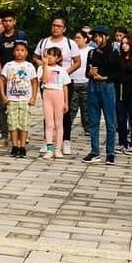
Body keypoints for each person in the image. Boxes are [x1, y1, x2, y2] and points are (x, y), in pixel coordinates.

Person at [33, 17, 81, 155]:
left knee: (64, 113)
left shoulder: (70, 43)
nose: (56, 28)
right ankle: (47, 141)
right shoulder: (44, 42)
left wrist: (63, 73)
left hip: (63, 83)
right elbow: (35, 57)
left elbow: (77, 62)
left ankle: (65, 141)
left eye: (59, 26)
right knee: (48, 114)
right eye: (54, 25)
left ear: (64, 28)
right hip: (47, 83)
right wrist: (44, 66)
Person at [0, 9, 28, 147]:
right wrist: (3, 75)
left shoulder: (21, 35)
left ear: (14, 21)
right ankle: (4, 135)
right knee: (4, 107)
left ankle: (22, 135)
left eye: (9, 21)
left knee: (21, 107)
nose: (7, 23)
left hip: (20, 78)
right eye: (4, 21)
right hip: (4, 77)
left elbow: (26, 54)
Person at [83, 25, 119, 165]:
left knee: (110, 122)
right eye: (95, 36)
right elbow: (87, 71)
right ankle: (94, 151)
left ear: (106, 37)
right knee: (93, 121)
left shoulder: (114, 52)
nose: (97, 39)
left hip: (107, 87)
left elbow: (117, 73)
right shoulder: (91, 53)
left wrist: (104, 78)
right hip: (92, 87)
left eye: (99, 36)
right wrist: (90, 73)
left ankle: (110, 153)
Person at [0, 40, 38, 158]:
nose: (19, 53)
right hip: (12, 99)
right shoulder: (9, 65)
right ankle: (14, 145)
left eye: (22, 50)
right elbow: (1, 80)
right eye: (17, 50)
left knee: (24, 124)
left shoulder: (29, 66)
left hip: (25, 99)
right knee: (12, 123)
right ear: (13, 52)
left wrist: (34, 97)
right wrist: (3, 96)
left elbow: (34, 82)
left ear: (26, 52)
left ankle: (23, 146)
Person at [39, 47, 70, 160]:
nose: (49, 58)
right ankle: (49, 149)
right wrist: (45, 66)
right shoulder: (42, 68)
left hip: (59, 94)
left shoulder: (62, 70)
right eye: (47, 55)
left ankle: (58, 149)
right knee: (49, 124)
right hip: (47, 93)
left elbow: (65, 86)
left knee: (59, 124)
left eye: (52, 56)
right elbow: (45, 80)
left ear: (58, 58)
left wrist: (66, 102)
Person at [115, 33, 132, 154]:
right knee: (121, 120)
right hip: (120, 94)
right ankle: (123, 142)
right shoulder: (119, 59)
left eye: (127, 43)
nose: (124, 46)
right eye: (123, 43)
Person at [68, 30, 91, 138]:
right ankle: (68, 126)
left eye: (79, 37)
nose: (76, 40)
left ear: (85, 39)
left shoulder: (90, 51)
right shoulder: (71, 50)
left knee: (86, 107)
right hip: (73, 80)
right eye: (75, 37)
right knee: (72, 107)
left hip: (86, 81)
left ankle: (87, 128)